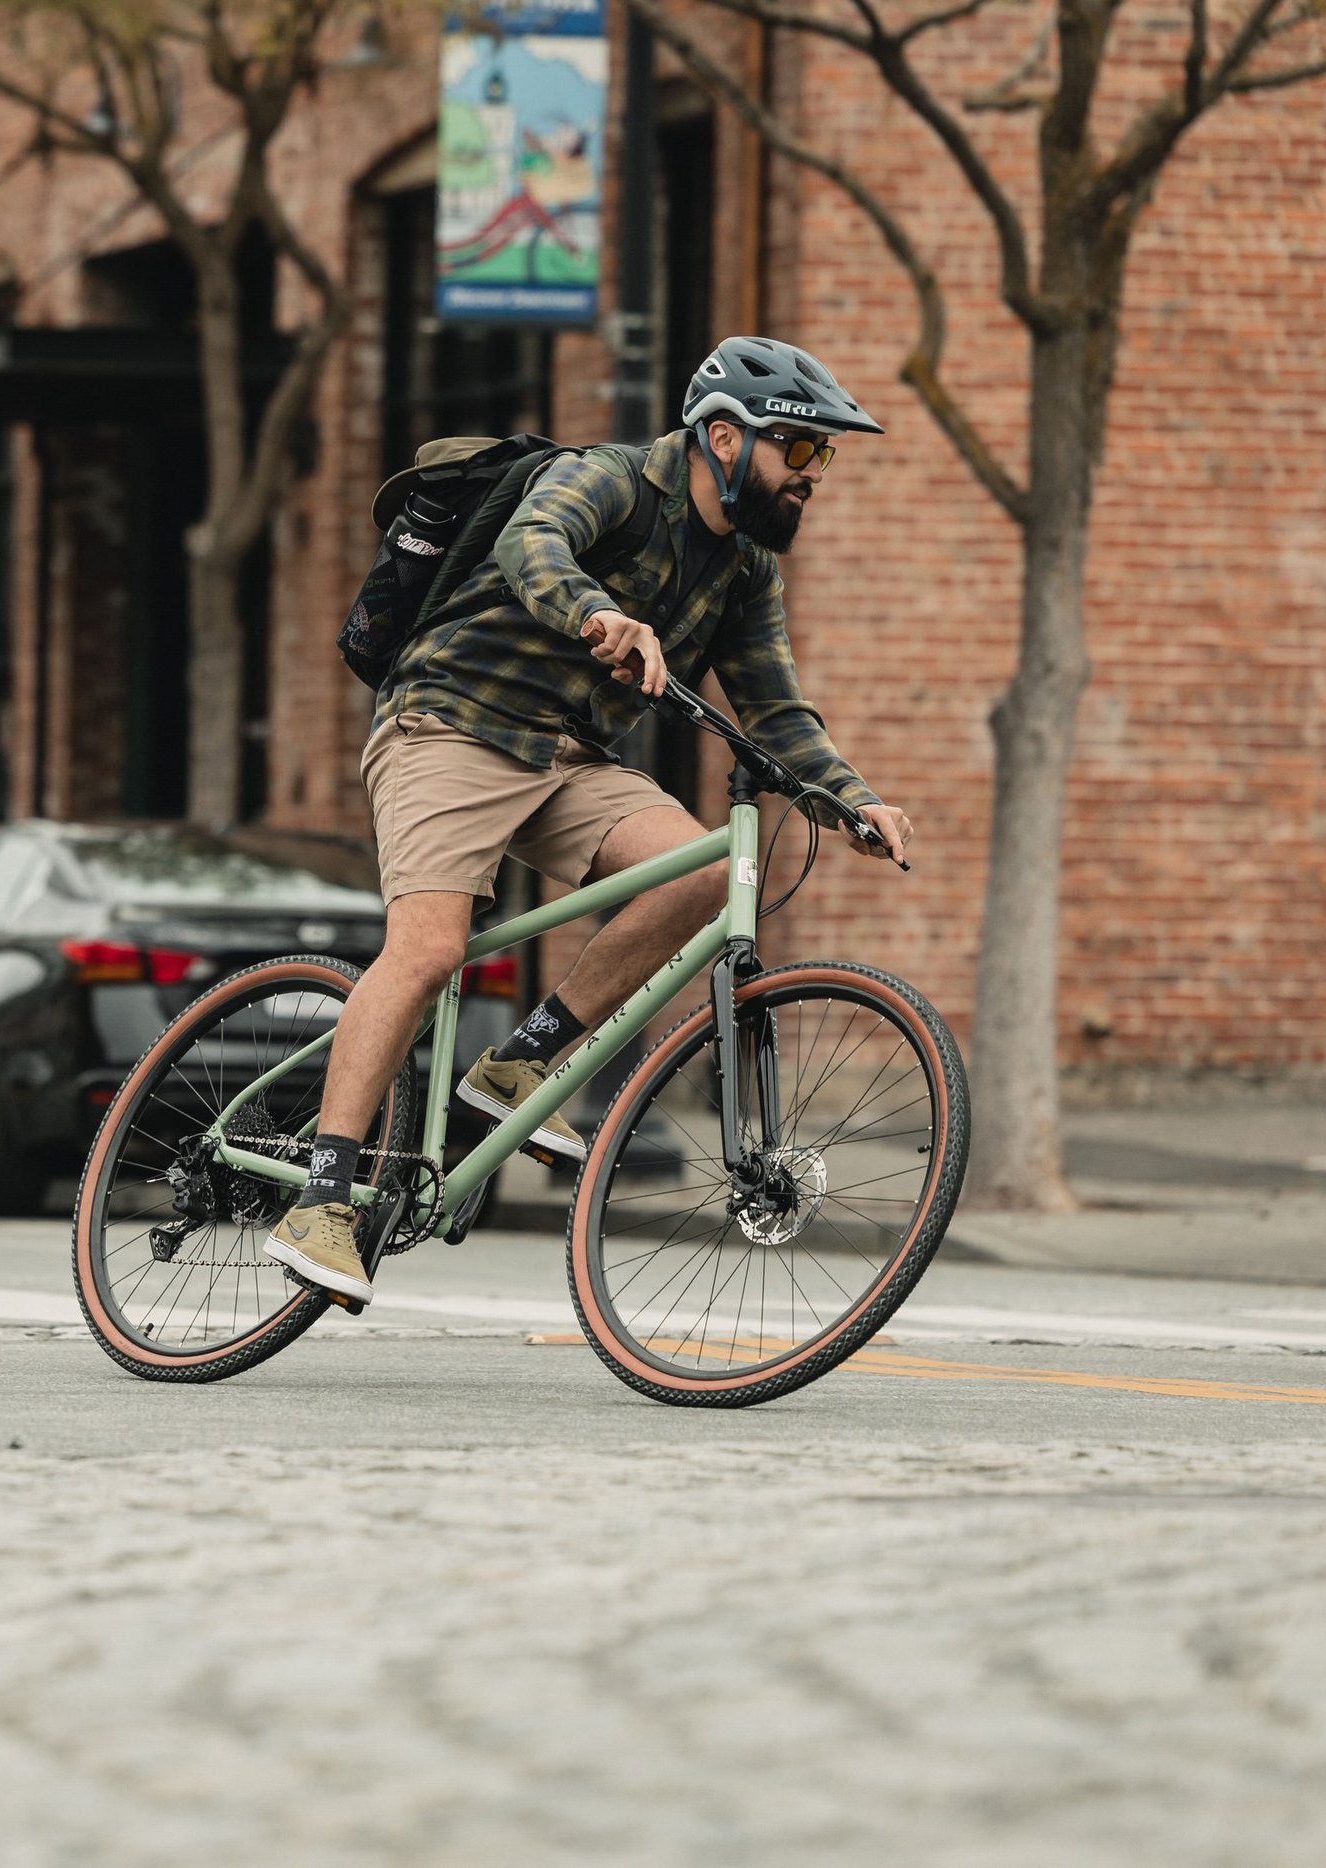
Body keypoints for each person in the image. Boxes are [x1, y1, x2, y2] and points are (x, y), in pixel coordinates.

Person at [264, 336, 917, 1305]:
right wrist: (595, 615)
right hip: (450, 721)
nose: (813, 477)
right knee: (431, 946)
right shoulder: (608, 479)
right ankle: (319, 1196)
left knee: (703, 873)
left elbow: (775, 712)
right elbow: (534, 543)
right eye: (802, 450)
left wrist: (849, 795)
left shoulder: (743, 573)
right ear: (725, 439)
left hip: (569, 758)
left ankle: (518, 1062)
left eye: (821, 457)